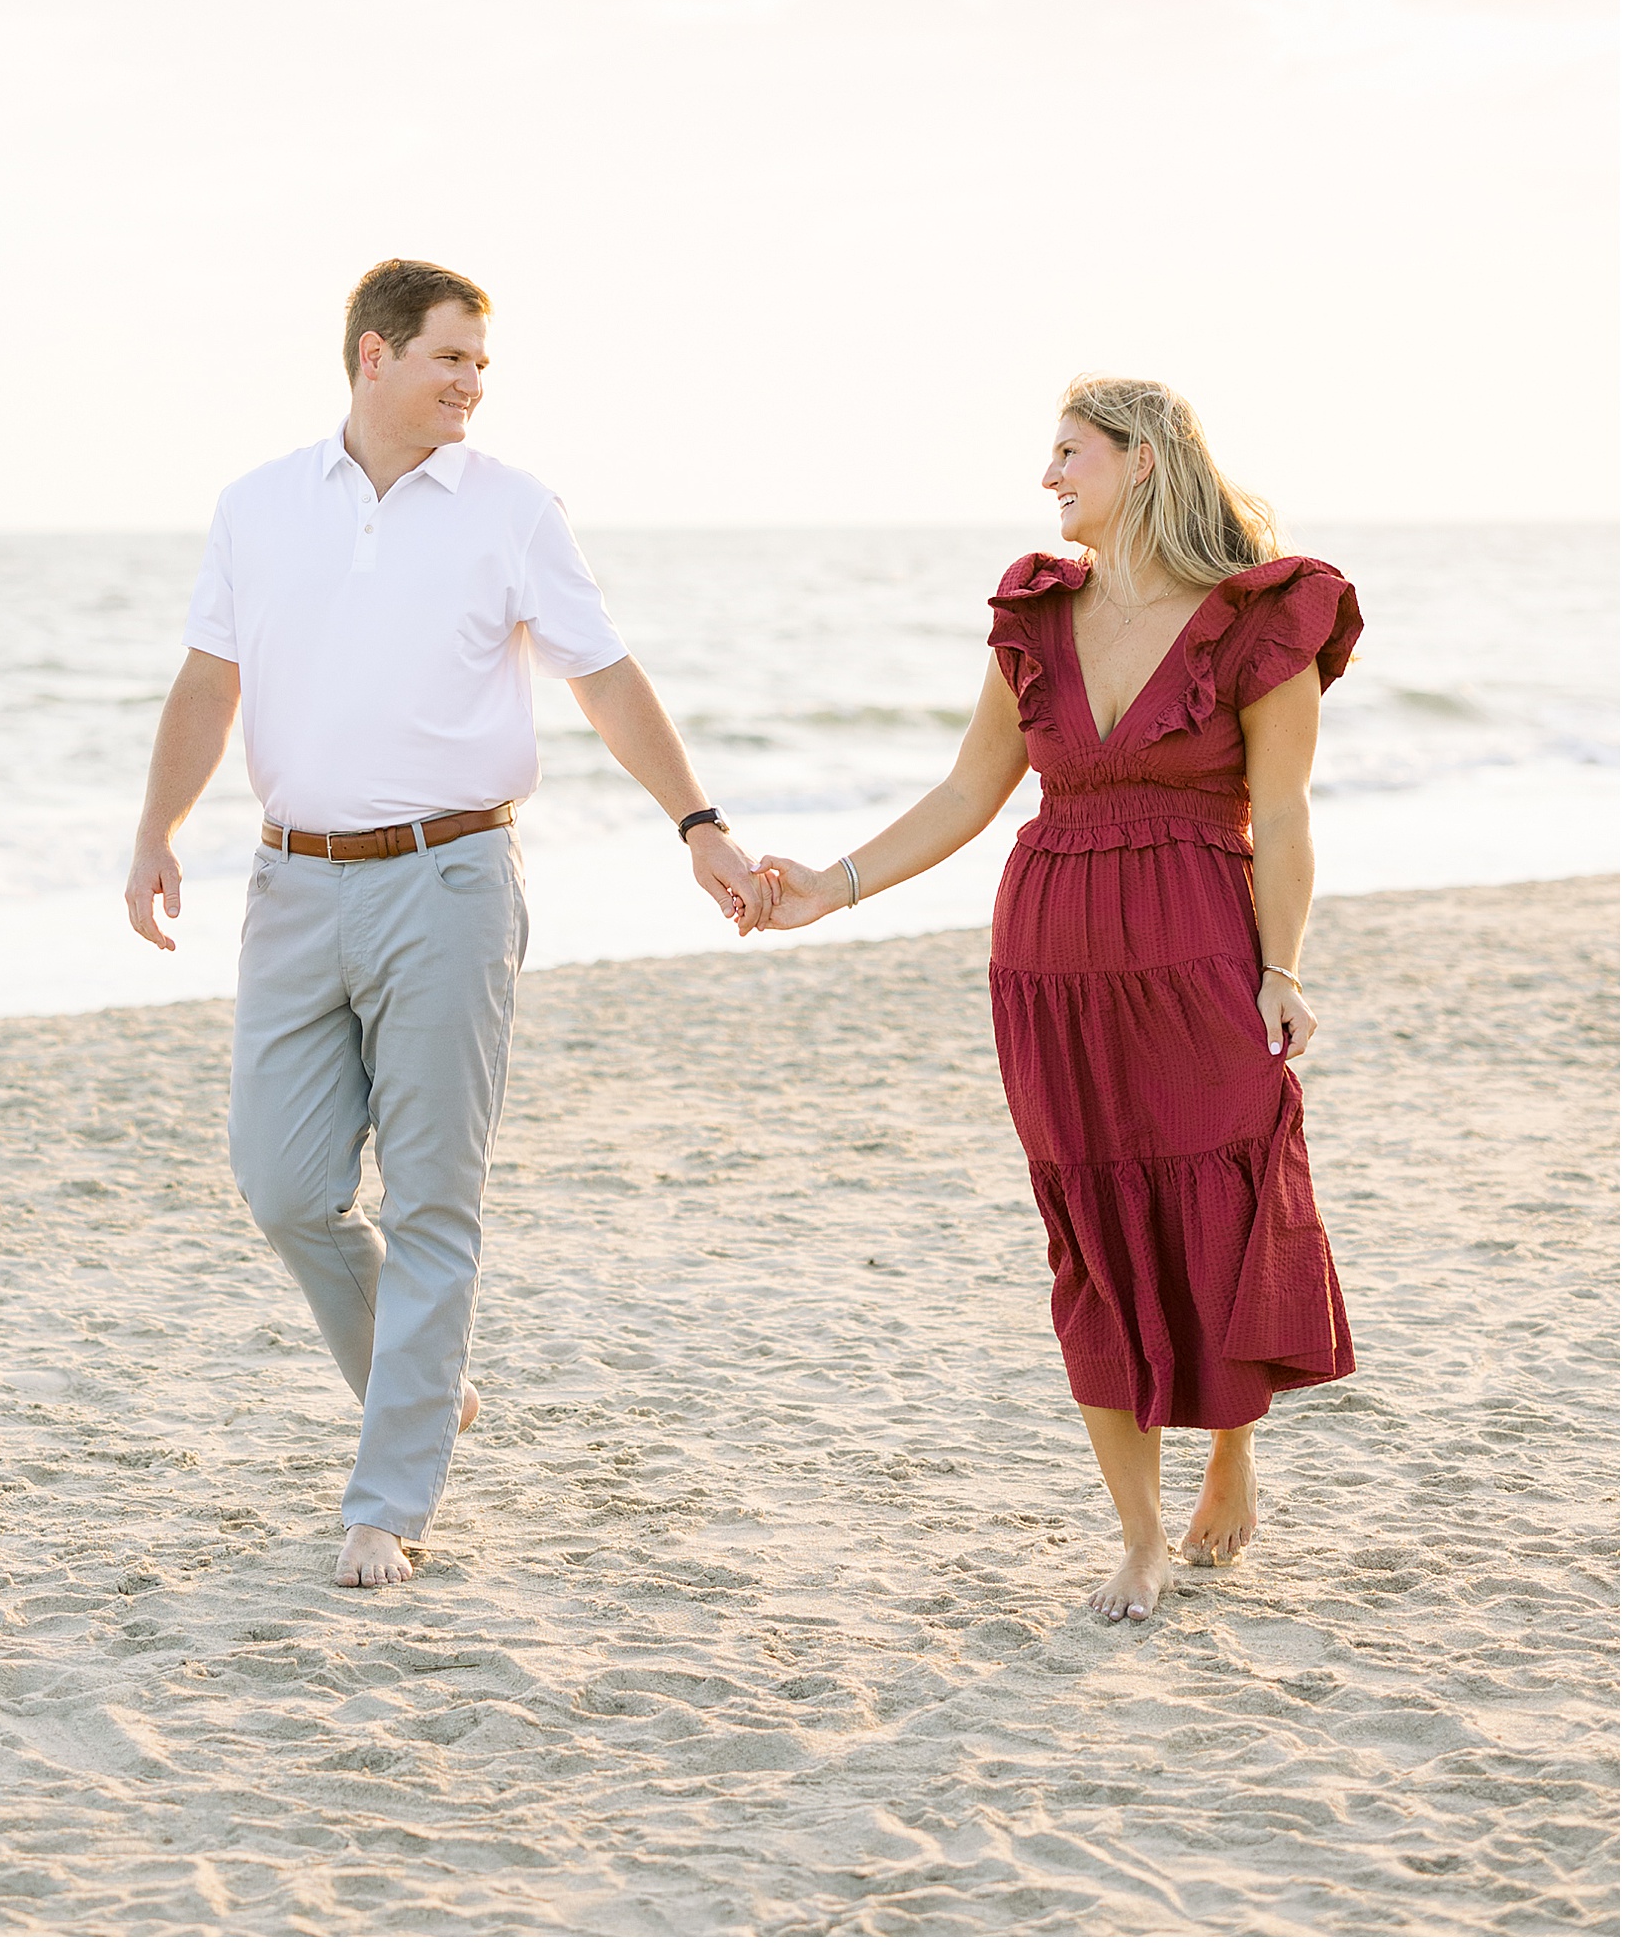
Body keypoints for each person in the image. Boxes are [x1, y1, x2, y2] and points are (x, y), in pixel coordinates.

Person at [125, 257, 775, 1589]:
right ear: (374, 357)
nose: (473, 383)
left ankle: (388, 1499)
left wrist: (699, 823)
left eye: (484, 363)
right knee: (283, 1182)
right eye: (451, 358)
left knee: (432, 1199)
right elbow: (208, 677)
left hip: (453, 882)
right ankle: (426, 1382)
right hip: (292, 882)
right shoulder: (256, 507)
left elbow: (604, 677)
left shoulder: (514, 509)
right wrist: (156, 831)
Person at [750, 375, 1361, 1622]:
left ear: (1142, 460)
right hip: (1050, 959)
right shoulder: (1036, 612)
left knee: (1221, 1203)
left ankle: (1230, 1453)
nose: (1048, 476)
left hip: (1199, 949)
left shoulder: (1262, 614)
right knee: (1089, 1226)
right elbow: (971, 789)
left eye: (1069, 452)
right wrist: (832, 885)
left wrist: (1283, 968)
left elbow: (1287, 814)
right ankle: (1137, 1533)